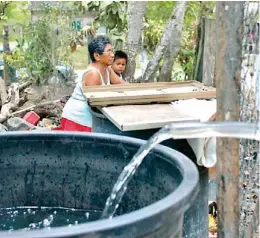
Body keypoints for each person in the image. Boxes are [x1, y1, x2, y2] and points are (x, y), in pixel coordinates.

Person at [53, 36, 126, 132]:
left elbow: (122, 84)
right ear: (97, 56)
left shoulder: (107, 69)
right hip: (78, 119)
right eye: (109, 51)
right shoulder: (93, 74)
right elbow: (97, 103)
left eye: (112, 51)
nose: (112, 55)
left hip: (88, 117)